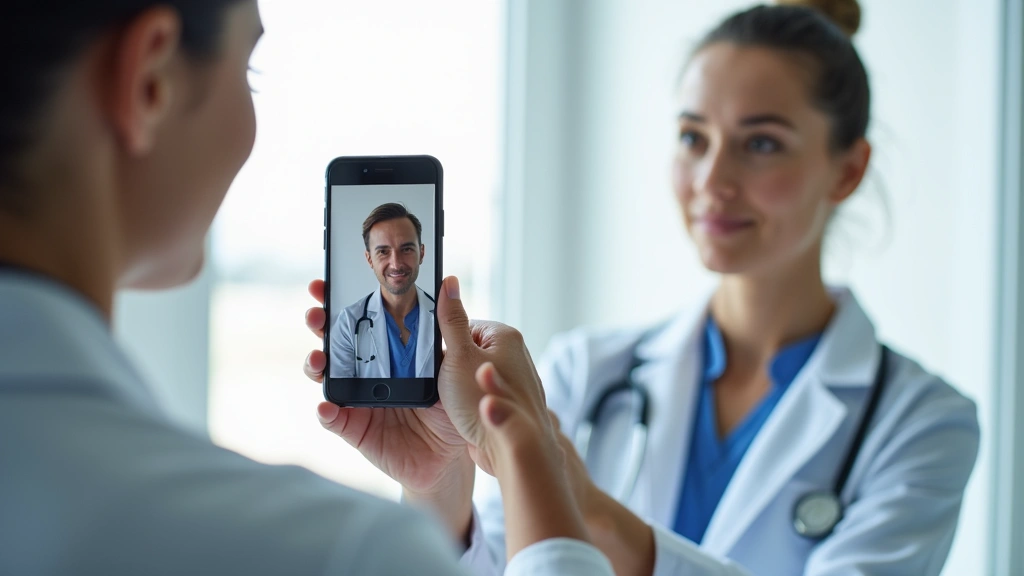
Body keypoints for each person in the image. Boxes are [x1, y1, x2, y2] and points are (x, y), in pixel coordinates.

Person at [303, 1, 980, 575]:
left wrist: (591, 512)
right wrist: (439, 481)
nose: (712, 179)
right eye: (693, 138)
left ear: (847, 169)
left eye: (762, 143)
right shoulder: (581, 372)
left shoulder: (921, 422)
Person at [0, 2, 615, 575]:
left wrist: (437, 483)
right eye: (251, 69)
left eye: (406, 250)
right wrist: (529, 452)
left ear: (422, 254)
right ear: (151, 82)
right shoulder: (335, 550)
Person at [331, 203, 435, 379]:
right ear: (369, 259)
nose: (396, 264)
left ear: (422, 253)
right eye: (383, 252)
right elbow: (341, 399)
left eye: (406, 249)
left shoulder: (446, 320)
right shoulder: (348, 322)